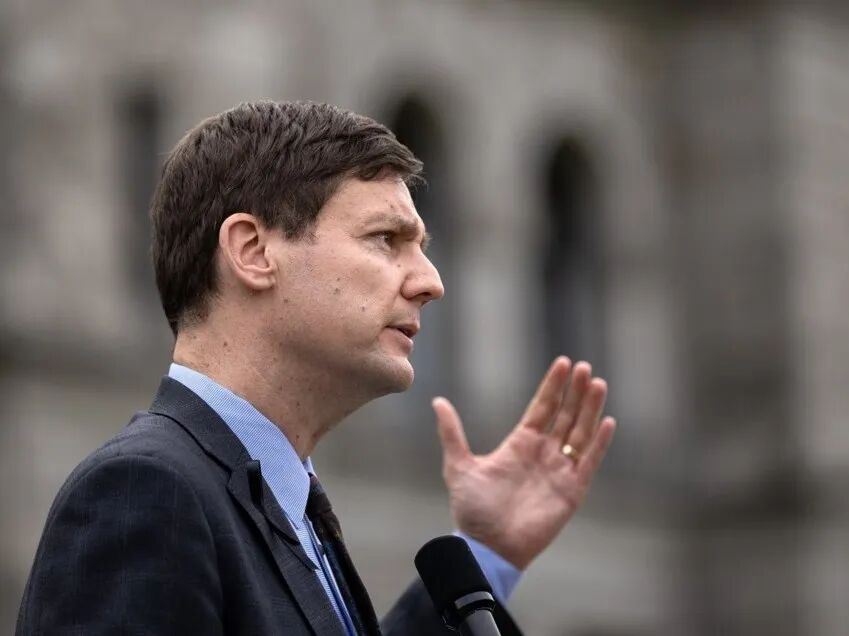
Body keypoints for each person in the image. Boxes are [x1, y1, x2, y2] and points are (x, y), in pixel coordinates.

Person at [16, 101, 616, 635]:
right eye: (386, 239)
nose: (431, 282)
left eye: (423, 248)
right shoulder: (142, 494)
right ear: (253, 251)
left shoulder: (286, 503)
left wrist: (489, 549)